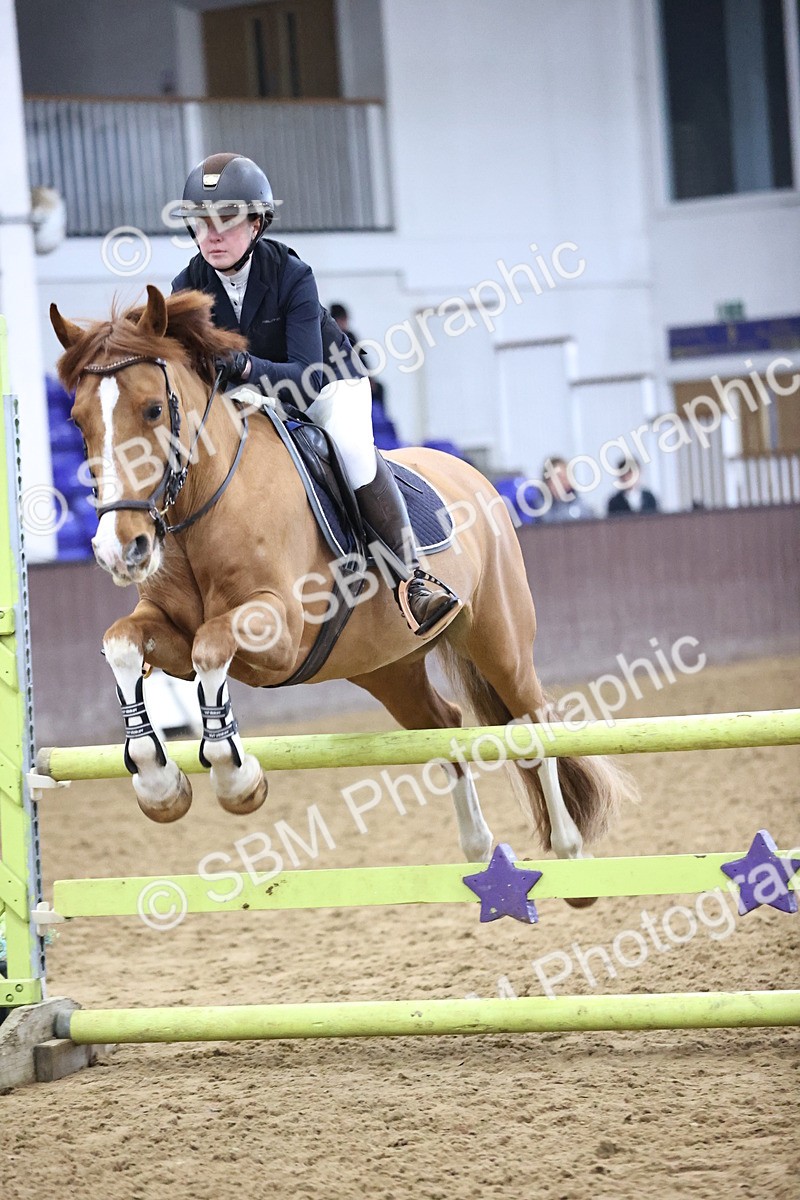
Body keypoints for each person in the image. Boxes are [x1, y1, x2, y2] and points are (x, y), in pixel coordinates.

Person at [173, 153, 458, 636]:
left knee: (350, 452)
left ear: (257, 221)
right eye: (200, 223)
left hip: (326, 386)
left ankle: (412, 580)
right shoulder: (187, 286)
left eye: (226, 220)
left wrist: (241, 365)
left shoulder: (291, 275)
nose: (212, 235)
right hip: (247, 397)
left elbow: (303, 375)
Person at [537, 456, 594, 522]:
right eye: (559, 477)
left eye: (567, 476)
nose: (564, 481)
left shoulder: (582, 508)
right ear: (547, 481)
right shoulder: (537, 508)